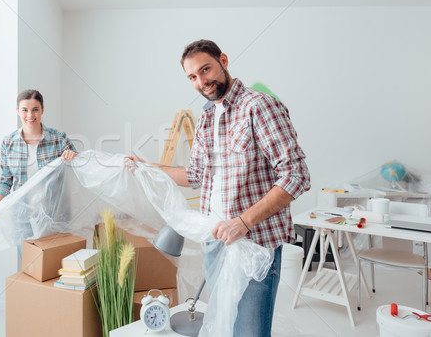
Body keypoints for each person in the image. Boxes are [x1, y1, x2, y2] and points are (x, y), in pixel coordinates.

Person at [128, 39, 310, 336]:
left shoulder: (259, 106)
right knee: (226, 326)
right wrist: (147, 168)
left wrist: (243, 222)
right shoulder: (207, 118)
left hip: (254, 243)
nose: (202, 81)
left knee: (249, 331)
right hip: (215, 242)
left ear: (223, 60)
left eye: (206, 69)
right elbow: (198, 175)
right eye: (192, 77)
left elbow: (296, 174)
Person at [0, 89, 78, 223]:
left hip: (55, 215)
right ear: (18, 111)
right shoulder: (8, 142)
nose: (30, 114)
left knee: (58, 245)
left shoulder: (58, 139)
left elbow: (82, 164)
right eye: (25, 110)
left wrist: (115, 163)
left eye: (35, 109)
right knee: (24, 245)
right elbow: (5, 180)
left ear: (42, 110)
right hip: (22, 217)